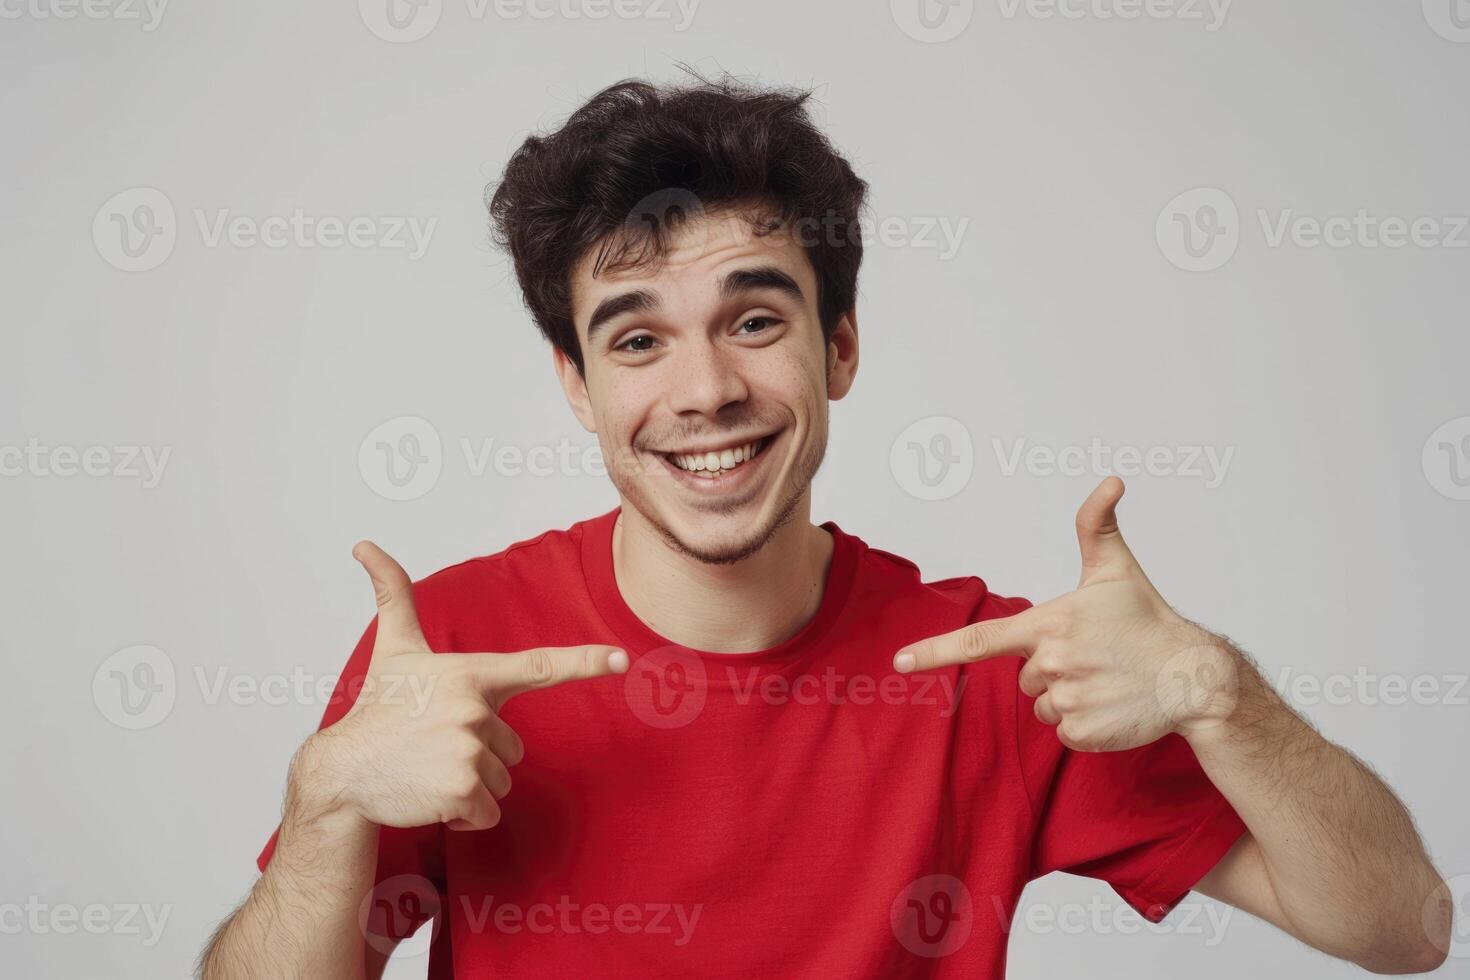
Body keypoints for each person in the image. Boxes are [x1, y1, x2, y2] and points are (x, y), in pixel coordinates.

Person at [198, 72, 1451, 978]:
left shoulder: (990, 669)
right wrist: (325, 807)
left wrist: (1217, 690)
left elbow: (1403, 928)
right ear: (577, 386)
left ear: (838, 344)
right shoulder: (456, 647)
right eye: (637, 338)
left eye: (754, 319)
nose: (704, 391)